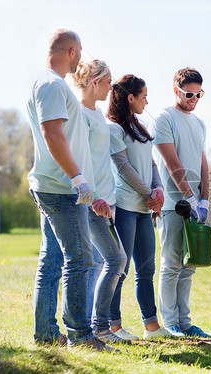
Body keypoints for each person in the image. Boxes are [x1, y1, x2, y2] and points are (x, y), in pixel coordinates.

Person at [26, 29, 113, 351]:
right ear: (73, 52)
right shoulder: (51, 84)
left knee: (52, 262)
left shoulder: (50, 83)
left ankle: (47, 334)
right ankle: (80, 334)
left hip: (59, 185)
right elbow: (52, 133)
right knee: (80, 259)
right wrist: (78, 179)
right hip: (61, 188)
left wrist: (88, 186)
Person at [107, 74, 172, 339]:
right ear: (130, 97)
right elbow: (122, 166)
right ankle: (113, 326)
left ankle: (151, 326)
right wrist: (148, 192)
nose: (147, 101)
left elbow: (152, 164)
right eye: (144, 96)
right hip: (125, 207)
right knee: (119, 269)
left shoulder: (141, 126)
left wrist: (158, 189)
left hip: (145, 209)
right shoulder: (114, 129)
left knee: (146, 269)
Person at [149, 67, 211, 338]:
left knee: (189, 266)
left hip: (195, 204)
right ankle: (170, 323)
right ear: (176, 90)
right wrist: (188, 196)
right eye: (189, 94)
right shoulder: (164, 118)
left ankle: (185, 323)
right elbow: (171, 162)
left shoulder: (199, 124)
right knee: (172, 263)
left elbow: (202, 164)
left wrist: (205, 199)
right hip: (173, 204)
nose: (194, 98)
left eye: (199, 94)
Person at [72, 60, 130, 344]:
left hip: (109, 201)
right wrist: (94, 198)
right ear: (94, 82)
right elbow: (81, 161)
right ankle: (100, 329)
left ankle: (99, 328)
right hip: (94, 203)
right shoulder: (80, 115)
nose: (111, 88)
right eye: (108, 82)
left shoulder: (96, 115)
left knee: (105, 262)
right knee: (116, 259)